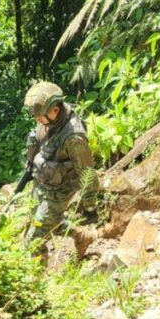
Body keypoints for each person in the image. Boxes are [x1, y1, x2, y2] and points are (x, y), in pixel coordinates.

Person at [22, 81, 98, 260]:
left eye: (40, 118)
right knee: (40, 221)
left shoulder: (74, 137)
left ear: (55, 110)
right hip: (44, 181)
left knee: (33, 240)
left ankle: (34, 282)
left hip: (61, 189)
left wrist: (89, 205)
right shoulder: (50, 121)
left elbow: (87, 172)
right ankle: (81, 237)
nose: (38, 122)